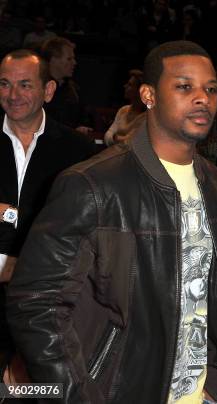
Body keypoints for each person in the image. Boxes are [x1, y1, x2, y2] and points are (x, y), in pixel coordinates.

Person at [6, 41, 217, 403]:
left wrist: (212, 384)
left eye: (210, 89)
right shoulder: (94, 184)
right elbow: (34, 304)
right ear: (148, 95)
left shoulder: (214, 182)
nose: (202, 98)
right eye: (184, 86)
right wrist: (79, 394)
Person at [0, 49, 95, 383]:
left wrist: (10, 215)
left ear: (49, 90)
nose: (13, 95)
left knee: (36, 392)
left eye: (25, 84)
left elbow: (85, 228)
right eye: (5, 84)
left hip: (48, 299)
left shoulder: (78, 152)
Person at [40, 37, 93, 134]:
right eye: (69, 59)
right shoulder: (39, 89)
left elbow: (84, 117)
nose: (74, 62)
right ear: (53, 60)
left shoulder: (73, 89)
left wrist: (82, 127)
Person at [103, 69, 146, 146]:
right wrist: (116, 138)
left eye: (130, 85)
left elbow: (132, 143)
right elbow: (107, 136)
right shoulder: (123, 110)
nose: (125, 86)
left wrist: (115, 137)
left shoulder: (147, 116)